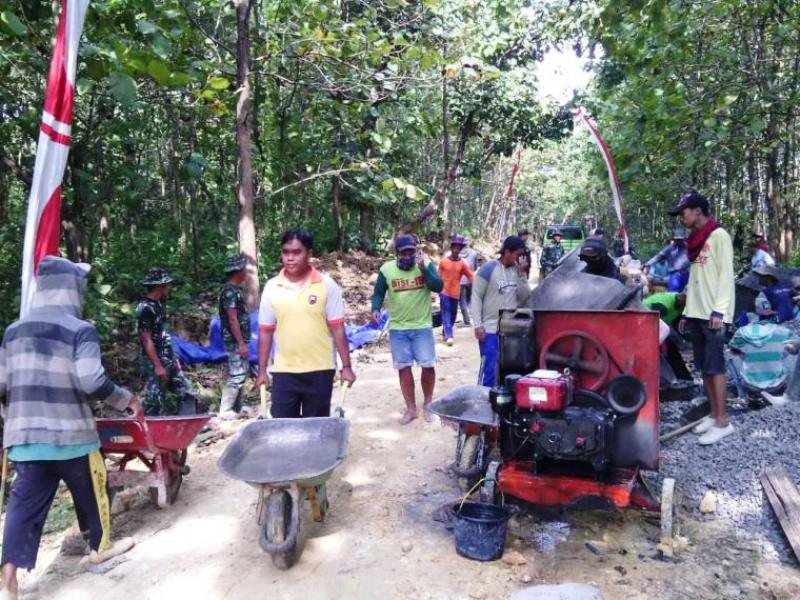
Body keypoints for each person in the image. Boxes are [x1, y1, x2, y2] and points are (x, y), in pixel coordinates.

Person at [0, 257, 143, 599]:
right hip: (72, 437)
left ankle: (8, 579)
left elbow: (2, 384)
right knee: (94, 490)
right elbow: (91, 381)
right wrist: (127, 400)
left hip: (25, 439)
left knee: (23, 507)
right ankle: (99, 547)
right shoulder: (80, 330)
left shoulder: (13, 331)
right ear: (71, 289)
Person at [255, 229, 356, 418]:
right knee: (283, 430)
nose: (290, 258)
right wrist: (261, 371)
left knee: (315, 429)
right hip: (284, 372)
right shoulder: (272, 287)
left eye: (296, 252)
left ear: (309, 254)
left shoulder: (327, 285)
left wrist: (347, 367)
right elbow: (265, 332)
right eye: (286, 252)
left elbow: (337, 328)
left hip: (320, 371)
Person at [669, 191, 736, 445]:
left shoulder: (719, 236)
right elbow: (696, 281)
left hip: (714, 315)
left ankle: (723, 422)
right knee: (703, 367)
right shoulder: (695, 239)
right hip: (697, 312)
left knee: (715, 366)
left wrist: (720, 310)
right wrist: (687, 312)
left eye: (683, 212)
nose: (681, 218)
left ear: (697, 210)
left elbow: (725, 277)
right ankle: (712, 413)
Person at [371, 233, 443, 424]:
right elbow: (378, 292)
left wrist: (423, 270)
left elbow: (438, 286)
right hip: (398, 329)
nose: (407, 257)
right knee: (403, 368)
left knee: (427, 365)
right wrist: (375, 308)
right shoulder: (386, 270)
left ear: (416, 252)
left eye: (410, 252)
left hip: (422, 327)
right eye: (403, 254)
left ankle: (428, 404)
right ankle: (411, 408)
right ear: (396, 254)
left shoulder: (425, 265)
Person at [471, 236, 532, 387]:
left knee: (509, 370)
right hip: (490, 328)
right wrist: (478, 324)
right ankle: (486, 401)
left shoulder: (518, 272)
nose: (520, 258)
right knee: (491, 369)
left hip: (511, 328)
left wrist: (521, 276)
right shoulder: (488, 268)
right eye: (518, 254)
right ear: (507, 252)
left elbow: (525, 298)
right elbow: (476, 296)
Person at [136, 268, 197, 416]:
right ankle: (148, 430)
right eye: (167, 285)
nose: (169, 288)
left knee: (185, 391)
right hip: (154, 361)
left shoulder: (159, 304)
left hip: (168, 357)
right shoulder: (145, 308)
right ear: (159, 286)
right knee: (155, 400)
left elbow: (163, 334)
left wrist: (173, 358)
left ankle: (186, 425)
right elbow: (146, 338)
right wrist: (157, 365)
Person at [218, 253, 251, 419]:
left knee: (242, 372)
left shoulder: (235, 291)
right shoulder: (230, 292)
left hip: (240, 340)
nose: (246, 272)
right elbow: (232, 318)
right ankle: (225, 410)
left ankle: (237, 408)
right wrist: (241, 343)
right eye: (244, 269)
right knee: (237, 374)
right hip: (234, 341)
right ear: (238, 271)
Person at [437, 234, 474, 346]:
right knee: (446, 313)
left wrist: (479, 286)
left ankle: (446, 331)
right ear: (452, 248)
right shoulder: (443, 262)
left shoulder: (462, 263)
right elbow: (438, 276)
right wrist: (436, 289)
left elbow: (470, 276)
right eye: (455, 247)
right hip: (444, 292)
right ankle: (449, 336)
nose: (457, 249)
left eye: (459, 248)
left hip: (455, 293)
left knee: (452, 315)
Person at [459, 240, 480, 325]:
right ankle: (474, 318)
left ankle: (467, 321)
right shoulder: (474, 253)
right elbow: (475, 267)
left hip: (460, 280)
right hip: (471, 278)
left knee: (462, 301)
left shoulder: (457, 253)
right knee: (470, 300)